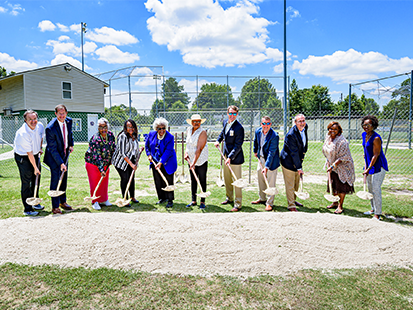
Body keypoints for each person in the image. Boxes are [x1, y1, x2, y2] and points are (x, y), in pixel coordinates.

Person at [44, 104, 74, 214]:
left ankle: (63, 202)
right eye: (59, 113)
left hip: (64, 153)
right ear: (55, 114)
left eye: (63, 113)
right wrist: (61, 163)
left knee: (64, 178)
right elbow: (52, 149)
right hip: (54, 157)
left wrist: (71, 144)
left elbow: (69, 134)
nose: (62, 115)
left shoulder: (69, 121)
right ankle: (55, 206)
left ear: (66, 113)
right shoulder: (50, 128)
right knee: (56, 180)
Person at [14, 110, 45, 216]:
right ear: (25, 120)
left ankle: (35, 201)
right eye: (30, 119)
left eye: (34, 118)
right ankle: (27, 209)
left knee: (36, 178)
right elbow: (29, 153)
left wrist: (40, 148)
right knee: (27, 181)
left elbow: (41, 137)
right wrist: (35, 167)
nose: (33, 121)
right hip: (23, 157)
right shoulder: (23, 133)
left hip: (35, 154)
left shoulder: (40, 126)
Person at [214, 105, 244, 212]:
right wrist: (218, 140)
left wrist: (230, 157)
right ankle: (229, 198)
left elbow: (238, 145)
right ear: (227, 113)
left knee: (237, 181)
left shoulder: (239, 128)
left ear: (237, 114)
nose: (232, 115)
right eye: (230, 113)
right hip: (226, 156)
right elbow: (223, 133)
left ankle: (238, 203)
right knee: (227, 179)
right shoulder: (225, 122)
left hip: (235, 158)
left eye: (234, 113)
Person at [322, 121, 355, 214]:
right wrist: (329, 161)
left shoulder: (342, 141)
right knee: (333, 184)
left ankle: (340, 206)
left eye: (335, 129)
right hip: (332, 164)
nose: (333, 131)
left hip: (343, 166)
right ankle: (335, 203)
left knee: (341, 186)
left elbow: (344, 157)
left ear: (339, 130)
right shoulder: (328, 138)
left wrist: (333, 165)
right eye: (331, 128)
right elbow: (326, 150)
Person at [145, 117, 177, 208]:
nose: (162, 130)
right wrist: (149, 155)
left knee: (168, 180)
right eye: (159, 128)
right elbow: (147, 146)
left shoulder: (170, 137)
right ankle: (162, 198)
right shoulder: (151, 134)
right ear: (156, 128)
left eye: (163, 128)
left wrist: (161, 162)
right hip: (154, 160)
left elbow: (168, 151)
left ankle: (170, 199)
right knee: (158, 179)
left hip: (168, 161)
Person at [85, 118, 116, 210]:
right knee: (95, 183)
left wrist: (112, 160)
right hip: (93, 164)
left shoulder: (110, 135)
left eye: (105, 127)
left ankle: (104, 199)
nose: (103, 129)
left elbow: (113, 147)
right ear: (98, 128)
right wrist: (101, 169)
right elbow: (96, 156)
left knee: (104, 183)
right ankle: (95, 201)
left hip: (106, 163)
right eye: (101, 127)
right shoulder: (95, 139)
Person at [361, 115, 389, 220]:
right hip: (369, 165)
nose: (366, 127)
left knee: (376, 189)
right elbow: (365, 152)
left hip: (378, 166)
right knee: (370, 188)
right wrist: (366, 166)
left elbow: (375, 155)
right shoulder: (364, 135)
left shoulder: (376, 138)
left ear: (373, 125)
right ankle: (372, 209)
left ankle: (378, 213)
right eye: (364, 125)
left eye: (368, 125)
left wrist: (369, 168)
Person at [280, 114, 308, 212]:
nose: (302, 123)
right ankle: (291, 205)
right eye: (299, 121)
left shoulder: (305, 127)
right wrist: (299, 168)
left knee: (296, 182)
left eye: (303, 120)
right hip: (288, 161)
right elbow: (294, 153)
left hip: (297, 160)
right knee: (290, 184)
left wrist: (299, 166)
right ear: (295, 123)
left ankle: (294, 200)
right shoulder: (291, 135)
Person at [251, 116, 280, 211]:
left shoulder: (274, 135)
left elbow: (272, 153)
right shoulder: (258, 131)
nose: (266, 125)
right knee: (261, 179)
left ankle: (269, 202)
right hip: (261, 159)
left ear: (270, 124)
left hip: (271, 161)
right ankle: (262, 198)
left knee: (270, 182)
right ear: (261, 124)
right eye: (264, 123)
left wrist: (266, 167)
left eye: (268, 123)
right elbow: (256, 142)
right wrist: (255, 151)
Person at [112, 119, 141, 207]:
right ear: (125, 127)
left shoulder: (134, 136)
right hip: (121, 161)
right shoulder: (122, 136)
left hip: (131, 160)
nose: (130, 129)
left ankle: (132, 197)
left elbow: (133, 148)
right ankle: (125, 199)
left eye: (132, 127)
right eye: (128, 127)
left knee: (131, 179)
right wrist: (131, 164)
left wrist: (139, 150)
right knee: (125, 178)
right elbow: (122, 153)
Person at [184, 114, 208, 209]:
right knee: (193, 179)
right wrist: (186, 153)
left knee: (201, 179)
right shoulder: (189, 130)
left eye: (198, 121)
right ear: (191, 122)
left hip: (201, 159)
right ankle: (193, 200)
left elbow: (199, 149)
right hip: (190, 159)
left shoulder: (202, 132)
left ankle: (202, 201)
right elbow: (188, 144)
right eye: (194, 121)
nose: (196, 123)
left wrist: (194, 162)